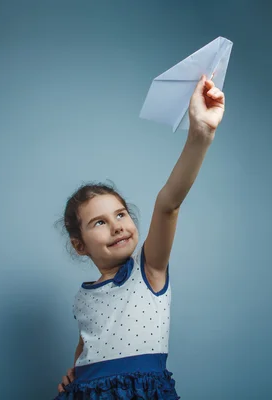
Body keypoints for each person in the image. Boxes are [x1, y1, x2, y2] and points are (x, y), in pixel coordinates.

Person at [54, 74, 225, 399]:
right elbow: (88, 345)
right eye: (99, 223)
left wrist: (200, 134)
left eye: (121, 215)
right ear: (80, 245)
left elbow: (168, 204)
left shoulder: (149, 270)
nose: (117, 225)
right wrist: (74, 372)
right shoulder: (83, 297)